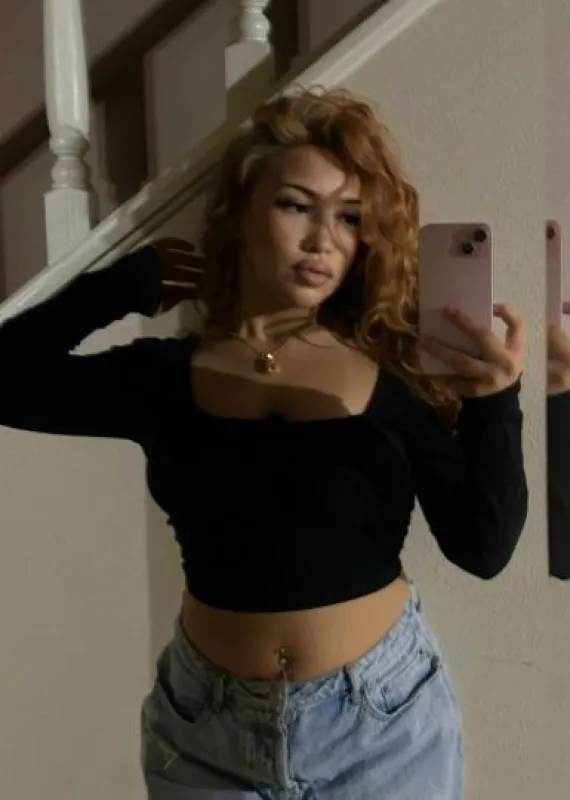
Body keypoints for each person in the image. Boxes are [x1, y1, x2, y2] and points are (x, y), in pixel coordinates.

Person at [0, 88, 527, 799]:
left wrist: (495, 402)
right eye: (295, 206)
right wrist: (117, 288)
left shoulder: (394, 376)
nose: (323, 240)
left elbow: (483, 547)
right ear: (241, 213)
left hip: (383, 730)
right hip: (206, 738)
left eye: (348, 217)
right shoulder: (163, 378)